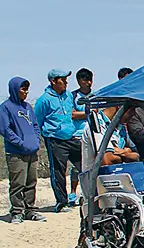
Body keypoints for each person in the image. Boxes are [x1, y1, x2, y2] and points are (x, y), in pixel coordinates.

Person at [33, 68, 82, 212]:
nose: (66, 83)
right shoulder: (44, 100)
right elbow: (37, 121)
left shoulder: (68, 95)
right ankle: (62, 202)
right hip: (55, 139)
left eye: (66, 80)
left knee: (85, 164)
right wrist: (43, 136)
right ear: (53, 81)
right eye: (62, 80)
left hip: (71, 137)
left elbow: (72, 113)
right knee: (58, 171)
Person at [1, 77, 44, 223]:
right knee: (18, 182)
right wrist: (20, 143)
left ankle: (30, 210)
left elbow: (36, 125)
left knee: (31, 181)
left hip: (32, 150)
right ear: (15, 89)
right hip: (16, 153)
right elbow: (5, 130)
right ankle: (17, 211)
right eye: (23, 89)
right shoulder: (5, 107)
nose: (26, 92)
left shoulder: (27, 107)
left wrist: (36, 140)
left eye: (27, 89)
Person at [68, 68, 94, 205]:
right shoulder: (72, 96)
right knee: (78, 165)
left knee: (91, 164)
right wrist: (89, 113)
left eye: (90, 79)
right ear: (79, 81)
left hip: (94, 134)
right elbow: (72, 114)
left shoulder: (96, 95)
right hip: (78, 135)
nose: (88, 83)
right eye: (85, 80)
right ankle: (72, 193)